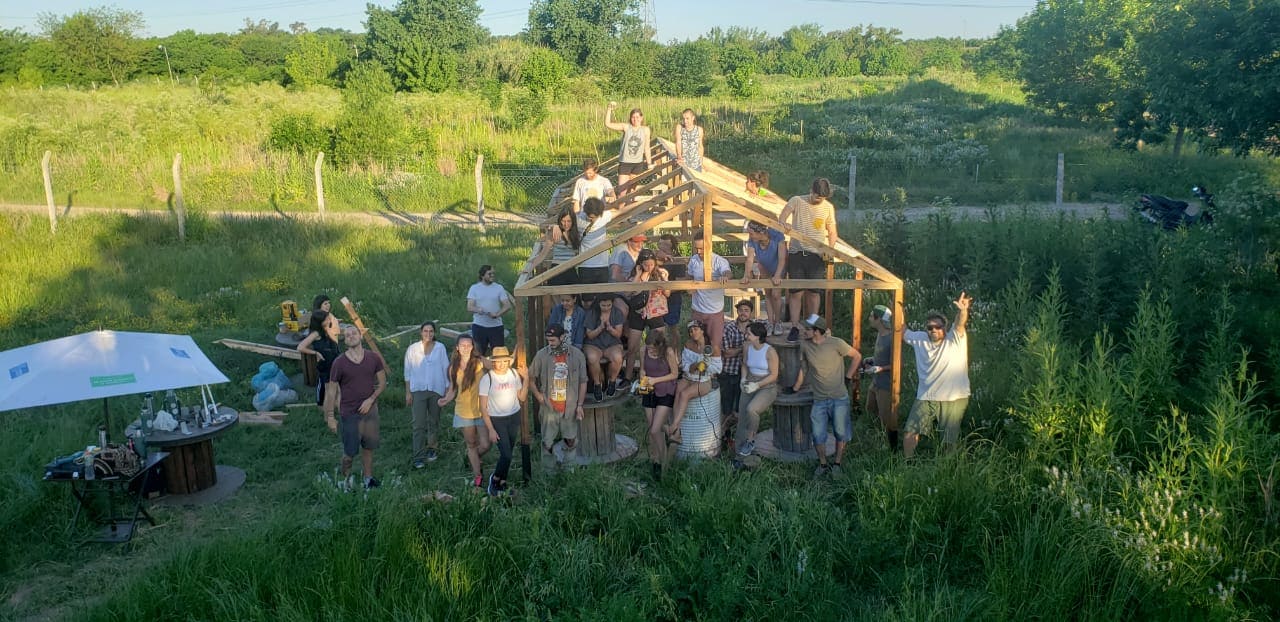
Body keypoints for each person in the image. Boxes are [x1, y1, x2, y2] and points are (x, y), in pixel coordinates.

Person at [902, 292, 971, 459]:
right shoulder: (920, 338)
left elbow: (960, 323)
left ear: (945, 328)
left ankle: (947, 467)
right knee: (910, 431)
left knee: (949, 439)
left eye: (938, 327)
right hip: (926, 396)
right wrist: (898, 309)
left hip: (954, 397)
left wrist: (962, 310)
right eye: (930, 327)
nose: (933, 330)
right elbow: (902, 329)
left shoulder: (954, 338)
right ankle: (907, 463)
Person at [791, 315, 861, 477]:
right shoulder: (805, 345)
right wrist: (795, 388)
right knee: (817, 435)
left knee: (840, 433)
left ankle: (837, 463)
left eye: (807, 329)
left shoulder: (836, 343)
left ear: (816, 331)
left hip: (839, 398)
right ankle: (823, 464)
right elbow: (803, 369)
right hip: (819, 400)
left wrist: (848, 377)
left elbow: (857, 356)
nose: (804, 331)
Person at [324, 325, 387, 491]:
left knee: (368, 447)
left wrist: (370, 400)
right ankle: (345, 482)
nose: (351, 336)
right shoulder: (339, 363)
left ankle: (368, 479)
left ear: (360, 335)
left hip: (370, 411)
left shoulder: (373, 357)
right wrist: (330, 416)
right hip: (349, 413)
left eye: (354, 333)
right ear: (345, 341)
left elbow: (382, 383)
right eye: (347, 335)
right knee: (349, 453)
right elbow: (331, 391)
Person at [780, 178, 839, 342]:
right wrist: (785, 225)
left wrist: (829, 248)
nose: (819, 200)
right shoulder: (796, 201)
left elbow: (832, 232)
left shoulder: (828, 207)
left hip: (816, 256)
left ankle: (813, 327)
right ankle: (794, 326)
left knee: (814, 293)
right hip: (797, 253)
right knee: (796, 292)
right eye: (817, 196)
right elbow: (782, 218)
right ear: (811, 191)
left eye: (822, 197)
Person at [529, 325, 588, 471]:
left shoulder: (577, 355)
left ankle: (569, 470)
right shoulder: (541, 355)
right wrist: (538, 396)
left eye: (553, 340)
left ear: (562, 337)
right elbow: (530, 378)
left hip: (570, 407)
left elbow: (583, 381)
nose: (550, 343)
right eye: (548, 340)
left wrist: (580, 405)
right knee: (547, 442)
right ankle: (548, 471)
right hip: (549, 407)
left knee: (570, 439)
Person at [438, 334, 490, 488]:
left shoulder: (480, 362)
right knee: (471, 443)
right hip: (463, 411)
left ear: (473, 347)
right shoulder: (453, 368)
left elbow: (498, 366)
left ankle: (473, 459)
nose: (466, 348)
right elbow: (453, 389)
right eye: (463, 345)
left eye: (468, 345)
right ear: (457, 348)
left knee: (486, 444)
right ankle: (477, 475)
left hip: (481, 409)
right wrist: (445, 399)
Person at [478, 346, 528, 496]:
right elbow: (483, 408)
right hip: (497, 420)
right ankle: (494, 480)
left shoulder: (513, 374)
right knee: (506, 454)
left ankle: (502, 482)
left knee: (509, 451)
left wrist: (526, 379)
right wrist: (491, 429)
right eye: (498, 362)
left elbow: (522, 397)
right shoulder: (487, 379)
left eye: (505, 361)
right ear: (493, 362)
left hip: (513, 416)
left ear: (508, 361)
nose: (501, 364)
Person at [665, 320, 723, 443]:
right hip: (689, 377)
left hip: (704, 381)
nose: (693, 333)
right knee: (677, 390)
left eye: (696, 329)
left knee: (685, 394)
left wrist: (706, 366)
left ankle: (673, 426)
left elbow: (718, 369)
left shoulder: (712, 347)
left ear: (702, 331)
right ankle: (677, 432)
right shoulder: (688, 344)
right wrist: (694, 366)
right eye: (691, 331)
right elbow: (684, 365)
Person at [404, 321, 449, 468]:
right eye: (425, 331)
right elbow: (407, 372)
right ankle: (418, 455)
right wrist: (408, 392)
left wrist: (447, 389)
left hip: (436, 389)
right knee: (418, 424)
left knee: (434, 421)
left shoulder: (440, 348)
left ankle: (432, 448)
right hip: (418, 390)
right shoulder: (412, 349)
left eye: (431, 331)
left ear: (434, 333)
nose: (428, 334)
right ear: (421, 332)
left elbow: (446, 368)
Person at [638, 330, 680, 480]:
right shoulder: (643, 350)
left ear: (660, 344)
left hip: (665, 389)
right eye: (649, 347)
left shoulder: (668, 352)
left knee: (655, 429)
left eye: (653, 348)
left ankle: (664, 461)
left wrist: (655, 380)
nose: (650, 350)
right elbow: (642, 368)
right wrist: (642, 374)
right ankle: (656, 460)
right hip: (649, 390)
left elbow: (674, 374)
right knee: (652, 429)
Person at [624, 248, 669, 386]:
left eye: (651, 264)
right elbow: (629, 292)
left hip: (655, 312)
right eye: (646, 265)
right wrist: (638, 275)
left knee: (659, 345)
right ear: (640, 264)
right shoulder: (635, 276)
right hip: (638, 313)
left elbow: (667, 293)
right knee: (632, 347)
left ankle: (660, 374)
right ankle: (628, 377)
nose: (649, 267)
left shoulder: (660, 273)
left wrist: (664, 280)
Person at [736, 322, 779, 460]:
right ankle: (738, 451)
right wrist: (743, 379)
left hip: (767, 386)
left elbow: (774, 375)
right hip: (749, 381)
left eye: (749, 334)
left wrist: (757, 385)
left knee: (752, 409)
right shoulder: (747, 346)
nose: (746, 336)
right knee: (742, 415)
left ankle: (750, 440)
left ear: (758, 336)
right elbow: (744, 364)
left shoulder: (770, 351)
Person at [686, 229, 732, 356]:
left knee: (715, 345)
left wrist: (725, 277)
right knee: (696, 344)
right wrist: (689, 285)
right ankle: (697, 367)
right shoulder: (693, 260)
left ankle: (714, 367)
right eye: (697, 248)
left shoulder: (719, 261)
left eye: (701, 249)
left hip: (714, 311)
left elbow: (727, 272)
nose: (698, 252)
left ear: (709, 246)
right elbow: (689, 276)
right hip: (697, 310)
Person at [862, 305, 899, 452]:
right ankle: (878, 436)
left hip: (886, 384)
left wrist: (880, 368)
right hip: (876, 382)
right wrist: (872, 360)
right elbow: (881, 356)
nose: (869, 318)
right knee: (870, 408)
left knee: (886, 418)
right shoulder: (880, 334)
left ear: (879, 319)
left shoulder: (892, 339)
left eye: (872, 316)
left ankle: (891, 448)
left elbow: (898, 364)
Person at [742, 221, 788, 335]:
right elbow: (749, 259)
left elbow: (782, 258)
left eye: (751, 233)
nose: (750, 235)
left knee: (776, 294)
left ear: (760, 232)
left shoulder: (777, 235)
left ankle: (777, 322)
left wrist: (777, 275)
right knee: (767, 293)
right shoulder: (752, 240)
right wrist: (746, 275)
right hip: (764, 266)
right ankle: (770, 322)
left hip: (779, 266)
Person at [719, 300, 753, 447]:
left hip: (747, 375)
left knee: (741, 410)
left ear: (751, 313)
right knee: (726, 409)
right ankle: (721, 437)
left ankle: (737, 439)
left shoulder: (755, 327)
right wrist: (744, 347)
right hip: (728, 372)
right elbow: (727, 353)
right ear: (737, 312)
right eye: (741, 310)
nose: (743, 313)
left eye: (746, 310)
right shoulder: (729, 328)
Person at [522, 206, 580, 286]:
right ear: (560, 221)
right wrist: (529, 269)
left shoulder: (577, 232)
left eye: (569, 221)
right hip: (556, 268)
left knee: (577, 290)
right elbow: (543, 254)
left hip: (570, 268)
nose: (566, 224)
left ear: (573, 221)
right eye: (563, 221)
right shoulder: (554, 232)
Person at [582, 296, 625, 402]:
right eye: (603, 305)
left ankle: (612, 382)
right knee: (592, 358)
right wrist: (600, 328)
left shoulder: (617, 313)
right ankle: (597, 384)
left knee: (618, 357)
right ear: (598, 304)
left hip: (612, 344)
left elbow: (618, 334)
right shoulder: (592, 313)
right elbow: (590, 335)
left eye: (609, 305)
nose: (606, 308)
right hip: (593, 344)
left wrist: (610, 329)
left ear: (612, 303)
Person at [467, 264, 514, 356]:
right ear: (482, 275)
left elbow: (507, 305)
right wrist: (478, 310)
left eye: (493, 273)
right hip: (479, 326)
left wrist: (497, 314)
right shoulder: (474, 288)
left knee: (499, 354)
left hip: (496, 327)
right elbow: (469, 307)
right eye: (489, 274)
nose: (492, 275)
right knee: (478, 354)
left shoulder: (499, 288)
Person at [297, 309, 341, 407]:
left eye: (328, 318)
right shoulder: (316, 334)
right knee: (323, 384)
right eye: (326, 319)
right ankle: (320, 403)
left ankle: (336, 402)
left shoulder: (328, 329)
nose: (329, 320)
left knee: (336, 382)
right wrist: (316, 353)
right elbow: (300, 347)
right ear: (319, 322)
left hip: (334, 361)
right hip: (325, 364)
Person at [605, 101, 652, 191]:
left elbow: (647, 148)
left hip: (638, 163)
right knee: (622, 191)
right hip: (625, 162)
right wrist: (609, 109)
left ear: (641, 118)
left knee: (632, 191)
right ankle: (621, 201)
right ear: (630, 118)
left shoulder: (646, 130)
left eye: (637, 117)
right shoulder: (626, 127)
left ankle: (631, 201)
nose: (635, 119)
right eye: (633, 117)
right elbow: (608, 124)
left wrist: (649, 163)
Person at [576, 197, 616, 285]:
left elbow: (622, 211)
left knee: (602, 294)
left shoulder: (603, 216)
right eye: (590, 217)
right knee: (587, 294)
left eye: (595, 217)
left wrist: (639, 203)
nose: (593, 219)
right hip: (585, 265)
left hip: (602, 265)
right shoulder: (578, 218)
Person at [656, 233, 685, 333]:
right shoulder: (655, 258)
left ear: (673, 246)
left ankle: (675, 343)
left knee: (672, 328)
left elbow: (680, 282)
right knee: (657, 328)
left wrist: (665, 290)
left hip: (672, 298)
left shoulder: (677, 260)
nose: (662, 247)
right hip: (657, 299)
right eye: (660, 244)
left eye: (666, 245)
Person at [674, 108, 704, 172]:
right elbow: (678, 143)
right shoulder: (680, 128)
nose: (685, 121)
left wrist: (701, 163)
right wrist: (679, 156)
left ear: (693, 118)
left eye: (687, 118)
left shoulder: (699, 130)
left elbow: (700, 147)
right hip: (683, 164)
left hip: (696, 165)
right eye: (683, 118)